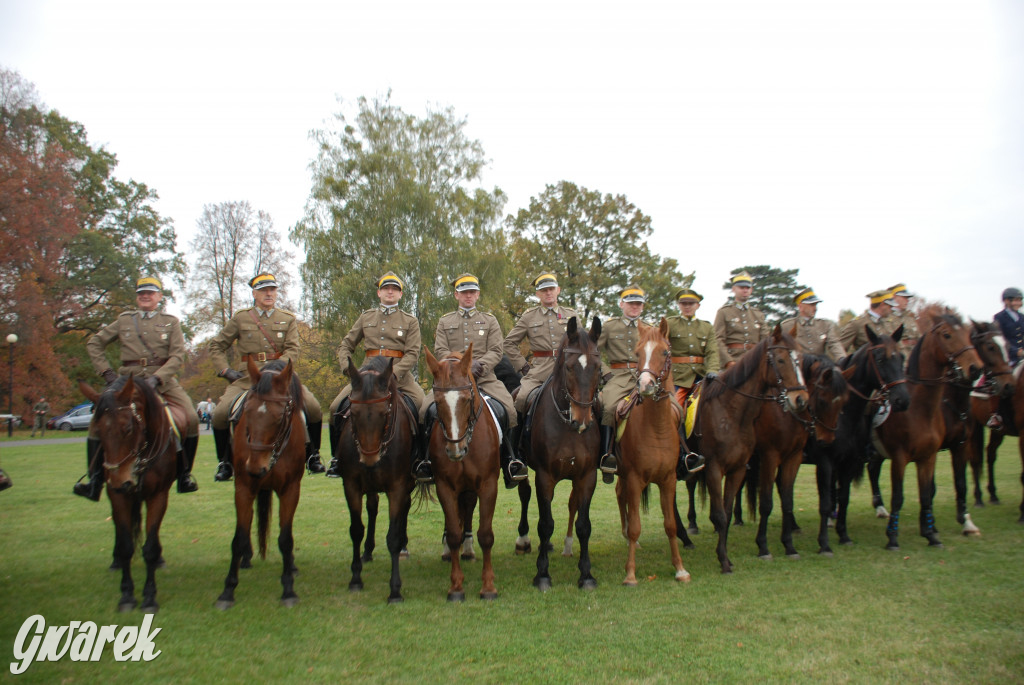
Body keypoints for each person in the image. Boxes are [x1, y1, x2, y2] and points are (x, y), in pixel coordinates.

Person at [73, 276, 199, 500]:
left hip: (161, 380)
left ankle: (184, 475)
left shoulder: (171, 322)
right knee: (97, 423)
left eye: (150, 293)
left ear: (159, 297)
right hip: (127, 382)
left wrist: (158, 378)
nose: (145, 296)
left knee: (191, 417)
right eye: (141, 293)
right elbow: (94, 343)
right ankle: (94, 481)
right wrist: (107, 373)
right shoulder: (124, 321)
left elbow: (177, 355)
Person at [208, 273, 324, 481]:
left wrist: (280, 371)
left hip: (280, 379)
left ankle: (313, 456)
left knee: (313, 408)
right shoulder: (241, 318)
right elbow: (216, 345)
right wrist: (225, 371)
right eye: (263, 290)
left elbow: (292, 349)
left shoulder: (287, 319)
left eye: (272, 290)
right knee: (219, 414)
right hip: (248, 379)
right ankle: (225, 462)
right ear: (254, 293)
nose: (269, 293)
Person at [423, 273, 525, 488]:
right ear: (456, 295)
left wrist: (482, 365)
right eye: (464, 292)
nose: (468, 296)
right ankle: (424, 461)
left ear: (477, 295)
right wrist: (460, 366)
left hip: (485, 378)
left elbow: (497, 349)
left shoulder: (490, 320)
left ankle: (510, 459)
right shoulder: (445, 321)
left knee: (510, 410)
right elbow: (440, 350)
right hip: (452, 380)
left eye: (472, 292)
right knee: (425, 410)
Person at [324, 271, 426, 477]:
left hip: (399, 378)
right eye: (386, 288)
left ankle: (422, 459)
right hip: (365, 377)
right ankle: (337, 458)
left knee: (424, 409)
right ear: (379, 293)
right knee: (336, 407)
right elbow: (346, 345)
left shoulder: (410, 321)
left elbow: (413, 353)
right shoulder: (366, 317)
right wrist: (348, 369)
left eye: (395, 289)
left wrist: (394, 373)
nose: (390, 292)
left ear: (400, 294)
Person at [503, 272, 578, 418]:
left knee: (597, 402)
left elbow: (582, 344)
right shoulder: (529, 316)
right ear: (538, 293)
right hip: (539, 372)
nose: (548, 293)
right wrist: (523, 366)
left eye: (551, 289)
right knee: (521, 399)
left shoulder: (571, 315)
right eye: (544, 290)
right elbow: (509, 343)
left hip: (570, 370)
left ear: (558, 290)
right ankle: (517, 440)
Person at [667, 288, 721, 406]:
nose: (687, 307)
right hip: (678, 377)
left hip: (701, 376)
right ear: (679, 305)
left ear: (698, 305)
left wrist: (712, 370)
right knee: (673, 408)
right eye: (683, 304)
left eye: (691, 304)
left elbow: (712, 351)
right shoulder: (670, 324)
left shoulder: (706, 327)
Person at [714, 271, 767, 368]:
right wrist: (728, 361)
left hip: (755, 361)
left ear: (751, 290)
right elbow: (718, 340)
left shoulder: (758, 314)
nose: (745, 290)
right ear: (734, 289)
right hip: (733, 361)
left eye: (747, 288)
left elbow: (765, 340)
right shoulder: (724, 312)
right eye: (741, 287)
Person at [781, 287, 846, 361]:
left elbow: (834, 343)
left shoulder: (825, 325)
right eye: (812, 305)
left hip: (821, 368)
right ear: (800, 307)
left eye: (816, 305)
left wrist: (842, 358)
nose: (815, 308)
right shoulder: (786, 326)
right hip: (799, 367)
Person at [886, 283, 920, 355]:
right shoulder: (886, 318)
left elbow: (919, 338)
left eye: (907, 298)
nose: (907, 300)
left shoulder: (910, 317)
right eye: (904, 297)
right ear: (894, 296)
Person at [994, 286, 1024, 366]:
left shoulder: (1022, 317)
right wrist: (1016, 352)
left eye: (1020, 300)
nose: (1019, 303)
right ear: (1006, 301)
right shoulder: (999, 317)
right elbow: (1000, 340)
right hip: (1009, 358)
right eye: (1016, 300)